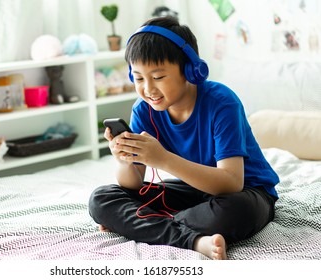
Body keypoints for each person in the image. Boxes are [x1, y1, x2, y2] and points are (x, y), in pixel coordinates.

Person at [88, 16, 279, 260]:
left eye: (158, 77)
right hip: (193, 191)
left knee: (236, 211)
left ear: (191, 70)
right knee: (102, 199)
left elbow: (232, 183)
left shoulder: (222, 102)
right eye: (138, 78)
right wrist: (125, 160)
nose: (148, 89)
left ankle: (147, 226)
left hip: (246, 192)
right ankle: (194, 239)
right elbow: (133, 184)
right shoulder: (143, 109)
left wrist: (163, 160)